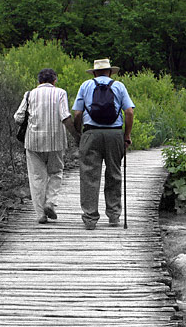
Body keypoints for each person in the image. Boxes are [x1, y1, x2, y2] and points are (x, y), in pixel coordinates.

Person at [71, 58, 135, 230]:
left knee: (89, 175)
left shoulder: (85, 86)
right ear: (109, 72)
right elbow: (129, 112)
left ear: (94, 72)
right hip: (114, 134)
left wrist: (79, 133)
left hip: (91, 133)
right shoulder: (119, 86)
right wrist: (127, 135)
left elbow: (77, 114)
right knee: (114, 173)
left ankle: (90, 218)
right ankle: (114, 216)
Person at [13, 68, 77, 224]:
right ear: (54, 81)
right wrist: (77, 136)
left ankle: (40, 214)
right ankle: (50, 202)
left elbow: (18, 117)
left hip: (33, 141)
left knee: (37, 178)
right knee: (56, 172)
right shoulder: (60, 93)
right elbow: (65, 116)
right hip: (56, 141)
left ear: (38, 81)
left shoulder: (29, 94)